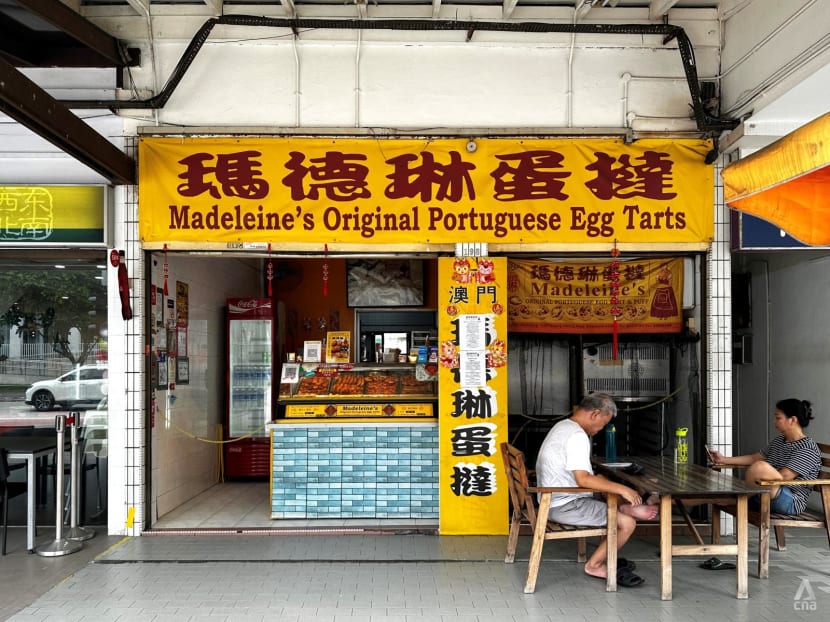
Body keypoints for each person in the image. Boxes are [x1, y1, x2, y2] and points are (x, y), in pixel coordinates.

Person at [536, 392, 658, 588]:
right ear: (594, 414)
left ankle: (623, 507)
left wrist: (615, 487)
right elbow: (583, 479)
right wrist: (623, 489)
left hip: (554, 499)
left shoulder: (564, 426)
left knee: (603, 482)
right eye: (603, 423)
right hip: (565, 505)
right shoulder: (577, 436)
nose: (601, 429)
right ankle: (594, 565)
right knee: (627, 524)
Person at [709, 398, 821, 515]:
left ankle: (740, 498)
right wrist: (723, 459)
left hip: (790, 500)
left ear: (792, 420)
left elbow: (784, 476)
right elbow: (754, 458)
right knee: (716, 496)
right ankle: (738, 498)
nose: (774, 422)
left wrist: (757, 479)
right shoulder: (779, 441)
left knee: (760, 467)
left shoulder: (807, 448)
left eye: (778, 418)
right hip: (765, 492)